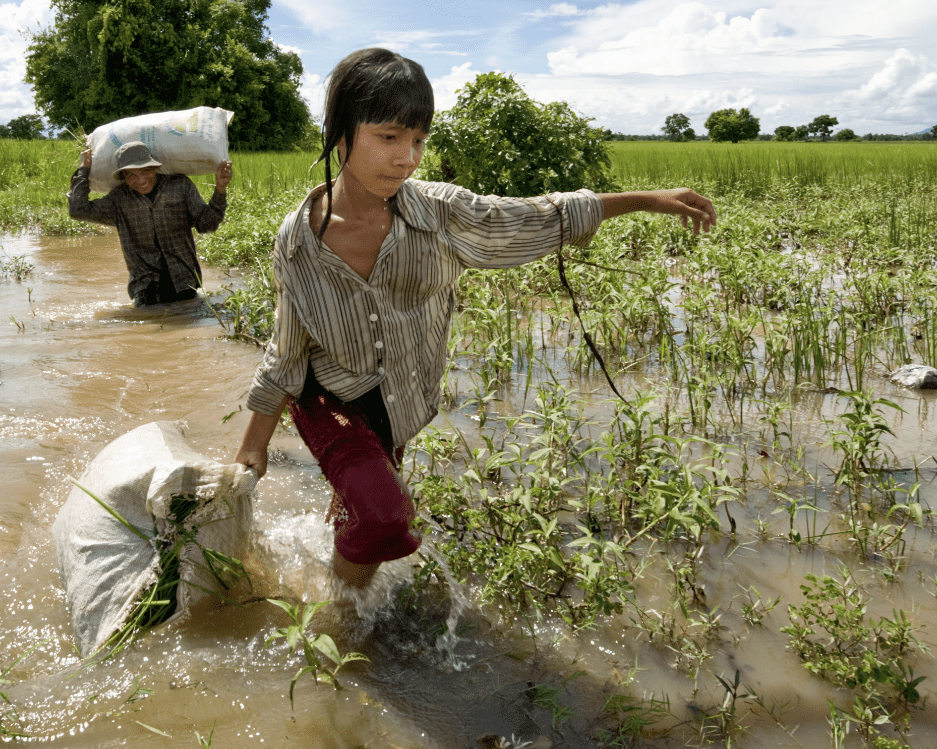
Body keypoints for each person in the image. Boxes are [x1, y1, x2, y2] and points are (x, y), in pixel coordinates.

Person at [232, 48, 717, 590]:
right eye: (388, 137)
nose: (407, 159)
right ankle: (341, 616)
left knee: (363, 502)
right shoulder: (299, 240)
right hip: (328, 397)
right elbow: (287, 348)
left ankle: (344, 542)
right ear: (341, 134)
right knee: (386, 518)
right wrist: (254, 443)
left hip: (399, 399)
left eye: (418, 140)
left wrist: (649, 200)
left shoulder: (441, 215)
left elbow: (536, 215)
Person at [68, 140, 233, 306]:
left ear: (155, 168)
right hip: (145, 286)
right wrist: (83, 170)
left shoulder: (179, 186)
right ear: (124, 177)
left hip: (184, 280)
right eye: (131, 175)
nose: (141, 180)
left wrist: (220, 190)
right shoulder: (119, 199)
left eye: (145, 171)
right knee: (147, 324)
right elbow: (78, 210)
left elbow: (206, 225)